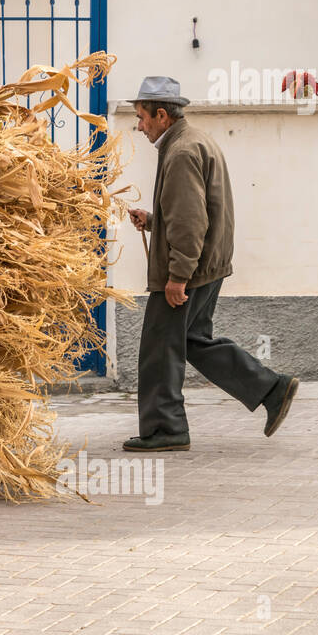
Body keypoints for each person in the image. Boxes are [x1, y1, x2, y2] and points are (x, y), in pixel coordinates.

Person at [125, 76, 299, 451]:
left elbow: (190, 222)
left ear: (161, 115)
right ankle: (271, 389)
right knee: (193, 341)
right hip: (209, 264)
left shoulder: (182, 151)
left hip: (191, 269)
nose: (138, 126)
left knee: (159, 349)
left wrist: (177, 278)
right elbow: (188, 213)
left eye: (141, 118)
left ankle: (165, 429)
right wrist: (152, 220)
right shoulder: (193, 141)